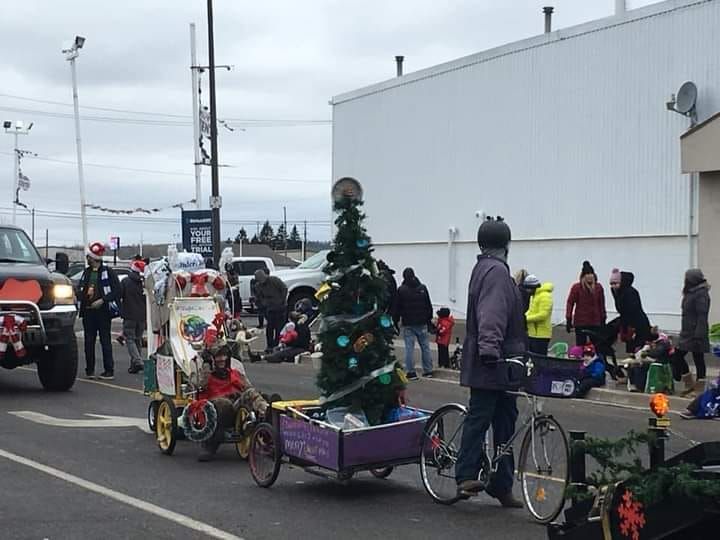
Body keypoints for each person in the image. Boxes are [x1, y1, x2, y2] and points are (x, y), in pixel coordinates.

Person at [455, 216, 525, 508]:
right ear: (506, 245)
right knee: (483, 416)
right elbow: (492, 314)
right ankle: (466, 475)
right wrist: (489, 349)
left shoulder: (486, 268)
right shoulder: (496, 272)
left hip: (503, 361)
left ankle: (501, 484)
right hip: (494, 359)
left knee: (505, 421)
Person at [196, 338, 269, 462]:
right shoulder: (205, 375)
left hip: (237, 408)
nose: (222, 359)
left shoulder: (235, 373)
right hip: (216, 412)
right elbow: (200, 385)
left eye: (224, 355)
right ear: (212, 359)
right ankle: (210, 446)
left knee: (253, 394)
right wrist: (207, 365)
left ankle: (268, 414)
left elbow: (249, 389)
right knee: (223, 403)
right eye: (218, 356)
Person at [78, 241, 121, 380]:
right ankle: (90, 370)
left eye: (89, 257)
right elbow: (81, 290)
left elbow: (117, 290)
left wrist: (103, 300)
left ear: (95, 258)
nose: (87, 259)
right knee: (88, 342)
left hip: (103, 312)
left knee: (105, 341)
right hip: (88, 312)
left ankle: (109, 370)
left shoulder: (108, 272)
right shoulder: (87, 272)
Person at [673, 269, 711, 397]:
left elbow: (702, 315)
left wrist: (699, 334)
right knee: (681, 356)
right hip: (687, 332)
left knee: (696, 358)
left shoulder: (701, 294)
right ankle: (690, 384)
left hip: (695, 332)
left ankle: (698, 388)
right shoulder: (690, 292)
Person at [392, 267, 434, 380]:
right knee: (425, 347)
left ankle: (411, 372)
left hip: (408, 323)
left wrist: (395, 321)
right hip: (422, 322)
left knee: (409, 348)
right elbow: (428, 306)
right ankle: (428, 370)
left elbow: (397, 307)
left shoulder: (401, 290)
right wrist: (428, 319)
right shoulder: (423, 288)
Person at [609, 269, 651, 354]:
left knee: (637, 347)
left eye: (616, 283)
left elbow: (630, 310)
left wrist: (625, 325)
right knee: (632, 347)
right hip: (629, 323)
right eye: (611, 284)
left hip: (637, 324)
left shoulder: (630, 293)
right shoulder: (618, 292)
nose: (613, 286)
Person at [565, 261, 606, 346]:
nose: (590, 278)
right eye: (587, 275)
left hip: (595, 322)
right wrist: (568, 319)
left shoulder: (598, 287)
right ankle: (582, 358)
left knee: (596, 345)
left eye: (591, 275)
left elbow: (601, 304)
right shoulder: (577, 287)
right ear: (583, 277)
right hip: (581, 322)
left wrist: (603, 318)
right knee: (581, 345)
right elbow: (570, 302)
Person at [119, 259, 146, 374]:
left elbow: (120, 295)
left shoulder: (125, 281)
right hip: (142, 316)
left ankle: (137, 361)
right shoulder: (145, 283)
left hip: (129, 314)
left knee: (129, 339)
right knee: (138, 339)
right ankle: (134, 365)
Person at [253, 269, 288, 351]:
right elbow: (259, 297)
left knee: (279, 329)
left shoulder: (274, 280)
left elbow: (284, 289)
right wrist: (262, 303)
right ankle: (269, 346)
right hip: (269, 309)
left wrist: (282, 300)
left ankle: (277, 345)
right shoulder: (258, 286)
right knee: (270, 328)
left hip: (280, 308)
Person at [523, 275, 553, 356]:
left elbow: (543, 315)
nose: (527, 291)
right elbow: (531, 311)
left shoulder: (545, 296)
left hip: (542, 335)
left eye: (528, 288)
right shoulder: (534, 296)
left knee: (540, 358)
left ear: (533, 287)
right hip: (532, 333)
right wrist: (521, 317)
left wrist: (526, 319)